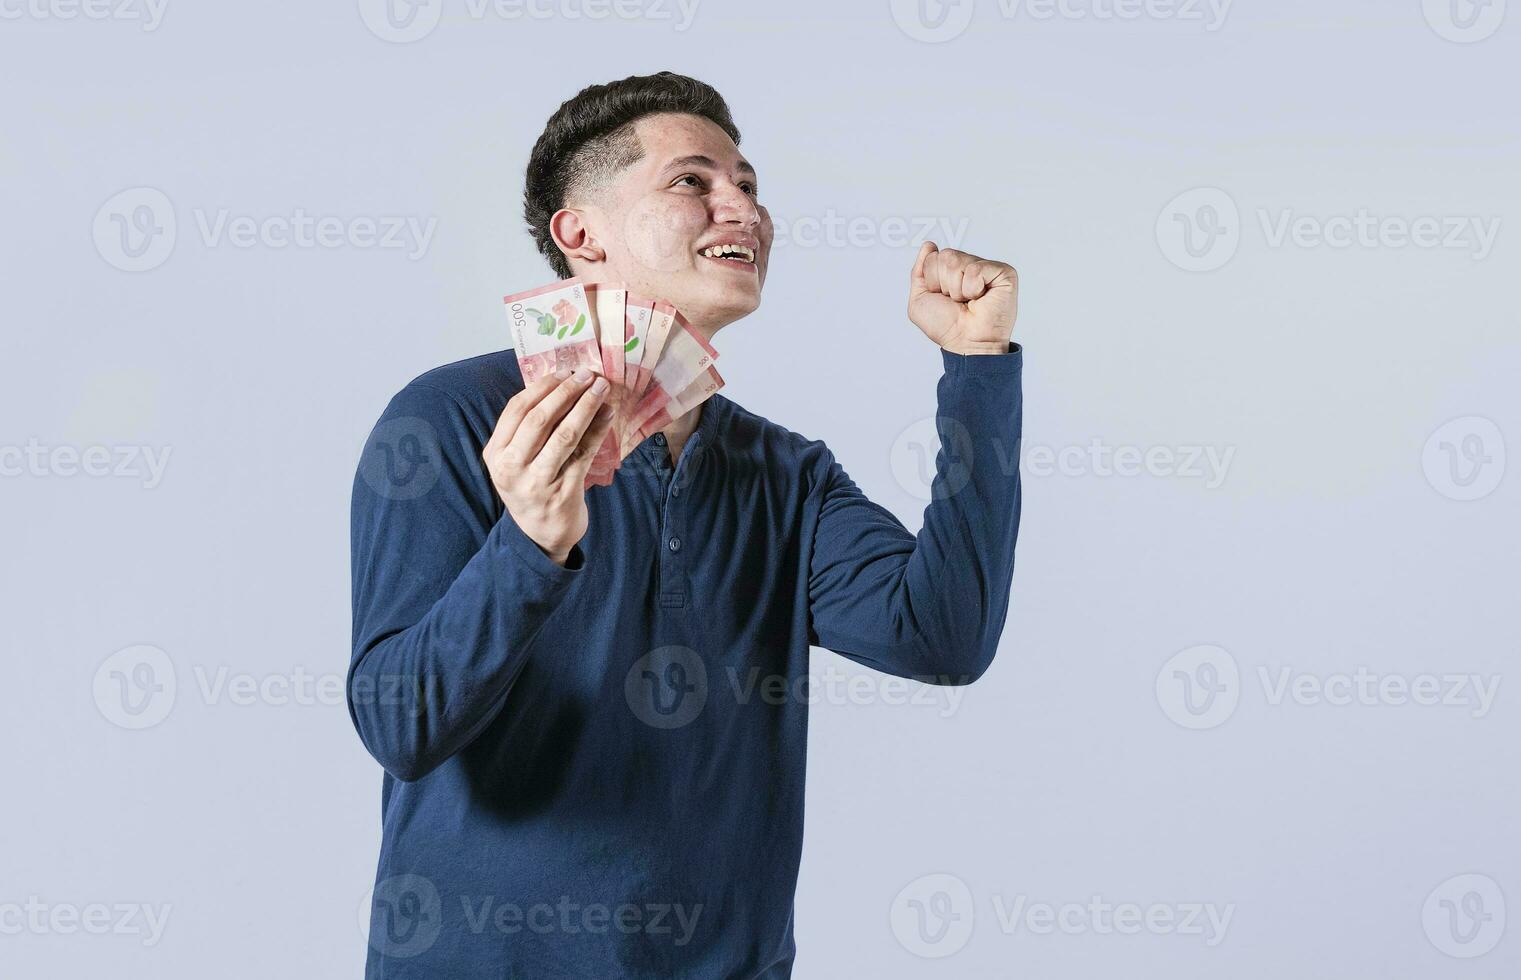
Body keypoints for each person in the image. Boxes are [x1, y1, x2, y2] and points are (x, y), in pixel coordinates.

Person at [348, 70, 1023, 979]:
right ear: (579, 233)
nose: (739, 207)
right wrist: (529, 545)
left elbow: (941, 636)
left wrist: (975, 371)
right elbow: (403, 723)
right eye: (691, 181)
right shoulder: (447, 420)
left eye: (747, 185)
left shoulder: (786, 473)